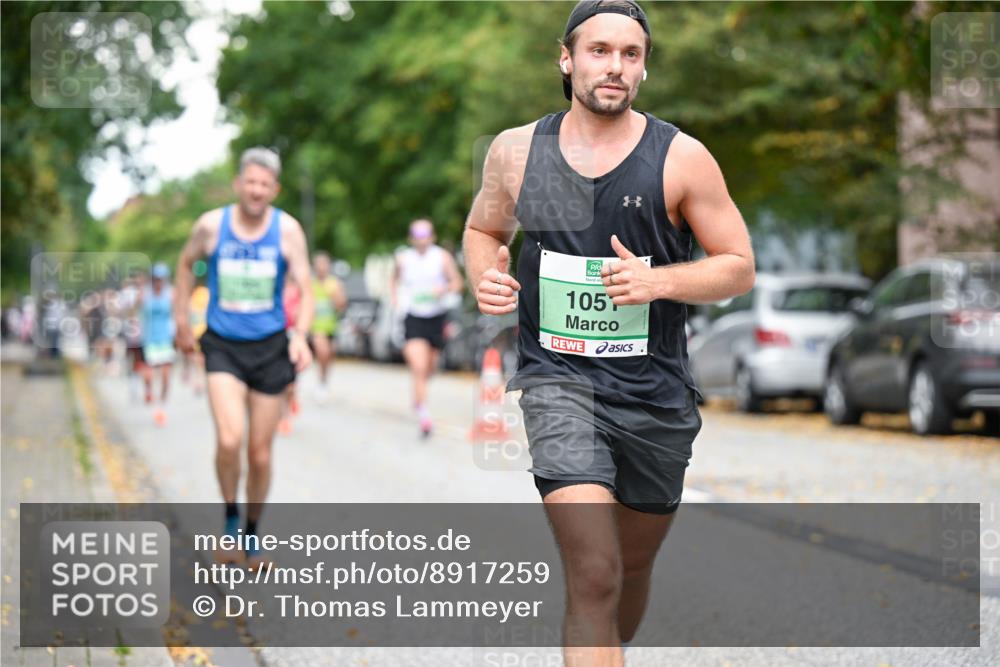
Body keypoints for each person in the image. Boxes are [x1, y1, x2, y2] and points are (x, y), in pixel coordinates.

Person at [462, 1, 755, 663]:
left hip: (654, 396)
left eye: (630, 53)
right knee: (593, 571)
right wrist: (486, 277)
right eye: (599, 50)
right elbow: (483, 231)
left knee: (629, 571)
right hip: (558, 384)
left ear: (644, 67)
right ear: (566, 59)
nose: (615, 66)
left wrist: (660, 283)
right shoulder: (518, 152)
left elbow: (739, 266)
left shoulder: (681, 159)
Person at [174, 146, 314, 569]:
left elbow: (305, 289)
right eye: (249, 182)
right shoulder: (211, 226)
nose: (256, 190)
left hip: (272, 348)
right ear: (238, 184)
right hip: (223, 345)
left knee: (259, 452)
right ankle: (230, 521)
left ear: (275, 189)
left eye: (264, 184)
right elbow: (184, 265)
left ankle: (252, 536)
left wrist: (301, 336)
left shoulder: (288, 231)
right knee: (230, 438)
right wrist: (182, 320)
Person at [390, 219, 464, 437]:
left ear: (432, 237)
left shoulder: (441, 257)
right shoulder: (403, 258)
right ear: (411, 238)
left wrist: (445, 289)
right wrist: (396, 299)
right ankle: (424, 415)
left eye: (425, 237)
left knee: (430, 368)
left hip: (436, 317)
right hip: (413, 316)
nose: (421, 242)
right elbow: (393, 280)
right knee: (419, 366)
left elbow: (458, 283)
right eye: (417, 237)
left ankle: (419, 397)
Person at [140, 263, 176, 426]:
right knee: (149, 376)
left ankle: (161, 408)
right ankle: (148, 391)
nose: (159, 282)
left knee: (166, 376)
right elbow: (134, 312)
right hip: (149, 340)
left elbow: (178, 314)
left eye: (161, 279)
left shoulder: (171, 294)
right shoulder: (145, 295)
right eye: (156, 279)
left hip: (166, 340)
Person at [309, 251, 347, 403]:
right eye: (318, 264)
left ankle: (323, 381)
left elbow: (341, 305)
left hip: (331, 326)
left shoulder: (334, 283)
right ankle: (319, 384)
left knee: (328, 356)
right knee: (322, 351)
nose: (321, 267)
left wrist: (335, 295)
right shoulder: (310, 284)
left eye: (324, 264)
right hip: (315, 327)